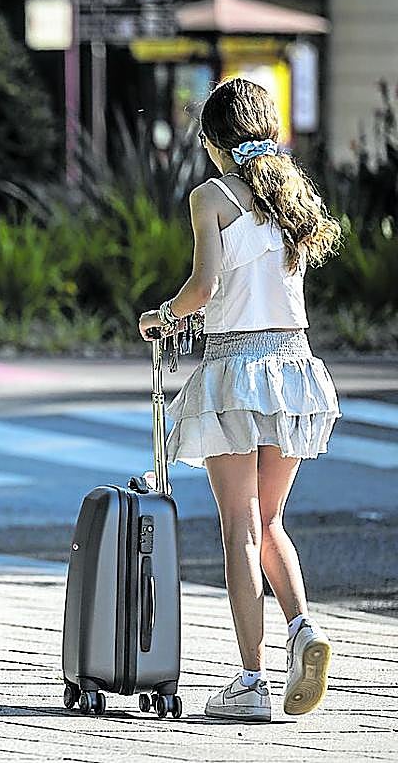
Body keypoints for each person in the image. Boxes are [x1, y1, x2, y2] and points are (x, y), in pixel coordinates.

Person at [138, 77, 342, 722]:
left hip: (236, 370)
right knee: (273, 520)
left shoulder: (212, 197)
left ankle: (251, 681)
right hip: (294, 368)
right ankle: (302, 629)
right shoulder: (293, 194)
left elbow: (202, 287)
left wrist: (160, 317)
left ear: (213, 141)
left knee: (238, 529)